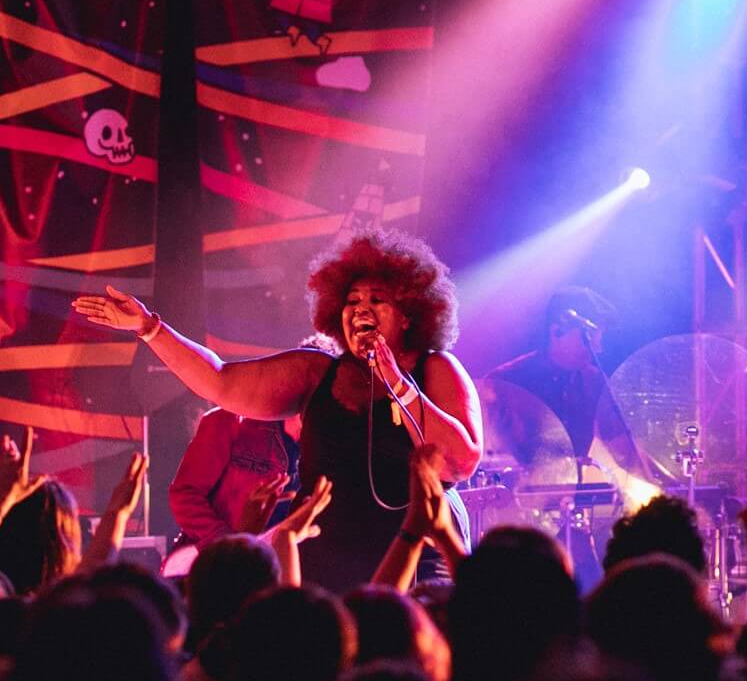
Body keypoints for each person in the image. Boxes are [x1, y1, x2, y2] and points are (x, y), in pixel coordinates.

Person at [75, 228, 483, 595]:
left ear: (410, 314)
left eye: (378, 300)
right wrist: (150, 329)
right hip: (327, 565)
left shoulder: (435, 368)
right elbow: (221, 381)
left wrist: (398, 385)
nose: (361, 309)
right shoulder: (316, 372)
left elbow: (459, 462)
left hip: (418, 562)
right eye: (352, 300)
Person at [488, 287, 618, 461]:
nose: (598, 347)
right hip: (520, 487)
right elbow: (491, 453)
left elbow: (619, 441)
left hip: (580, 486)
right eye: (590, 337)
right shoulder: (505, 383)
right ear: (556, 331)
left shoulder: (594, 381)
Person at [169, 407, 299, 547]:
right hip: (219, 561)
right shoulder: (229, 421)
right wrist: (228, 543)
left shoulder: (320, 446)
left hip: (277, 563)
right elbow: (185, 494)